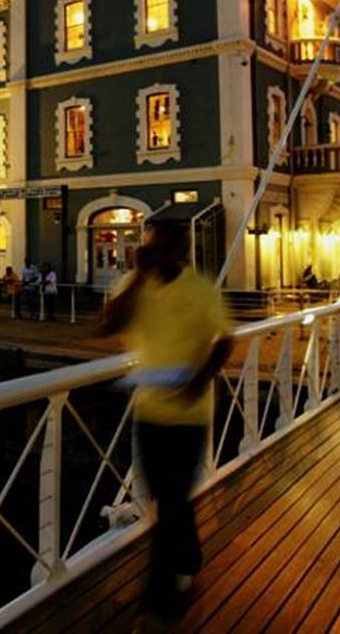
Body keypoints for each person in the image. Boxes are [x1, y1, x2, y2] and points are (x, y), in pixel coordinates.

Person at [96, 222, 230, 631]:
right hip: (149, 410)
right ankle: (188, 558)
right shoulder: (136, 286)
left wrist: (198, 381)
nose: (158, 253)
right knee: (167, 499)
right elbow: (107, 325)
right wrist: (139, 276)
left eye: (166, 247)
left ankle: (160, 598)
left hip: (190, 413)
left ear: (182, 252)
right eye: (152, 246)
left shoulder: (200, 290)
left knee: (171, 500)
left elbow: (224, 340)